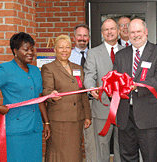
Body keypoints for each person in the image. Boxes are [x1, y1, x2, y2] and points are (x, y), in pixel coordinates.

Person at [0, 32, 51, 162]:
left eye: (32, 49)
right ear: (15, 51)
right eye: (26, 49)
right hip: (16, 129)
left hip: (35, 128)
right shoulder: (5, 70)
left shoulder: (35, 71)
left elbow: (40, 99)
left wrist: (46, 122)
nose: (30, 52)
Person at [113, 18, 157, 162]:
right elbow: (115, 81)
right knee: (127, 157)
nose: (135, 35)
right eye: (132, 32)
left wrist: (138, 85)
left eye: (138, 31)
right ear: (127, 34)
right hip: (125, 116)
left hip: (149, 116)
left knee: (150, 158)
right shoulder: (120, 55)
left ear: (146, 32)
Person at [42, 35, 92, 162]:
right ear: (54, 49)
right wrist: (51, 94)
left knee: (74, 153)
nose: (64, 50)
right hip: (59, 120)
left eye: (68, 47)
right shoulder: (49, 68)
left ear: (71, 49)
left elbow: (82, 92)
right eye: (61, 47)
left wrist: (87, 115)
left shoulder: (78, 68)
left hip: (76, 118)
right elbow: (46, 90)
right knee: (59, 153)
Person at [84, 18, 123, 162]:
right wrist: (91, 88)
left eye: (112, 28)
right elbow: (89, 75)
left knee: (122, 146)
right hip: (102, 107)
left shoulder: (127, 52)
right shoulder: (93, 53)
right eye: (106, 29)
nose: (109, 32)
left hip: (123, 108)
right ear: (102, 33)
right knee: (101, 146)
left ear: (118, 31)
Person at [68, 23, 97, 162]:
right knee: (72, 141)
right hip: (72, 104)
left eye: (85, 36)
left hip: (91, 103)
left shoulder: (95, 54)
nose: (82, 38)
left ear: (89, 38)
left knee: (91, 141)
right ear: (73, 38)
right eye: (79, 35)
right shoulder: (66, 56)